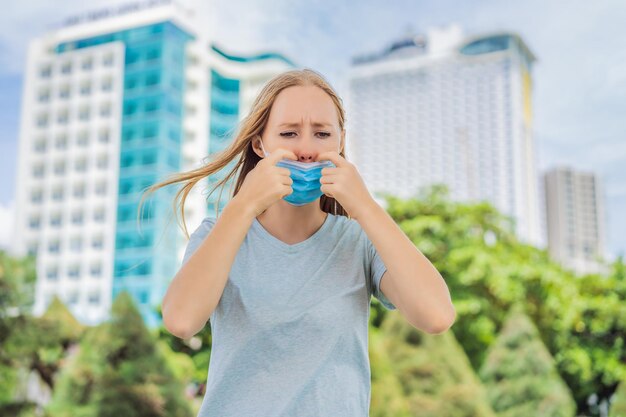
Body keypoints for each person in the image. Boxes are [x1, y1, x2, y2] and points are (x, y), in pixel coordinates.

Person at [145, 68, 455, 416]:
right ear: (260, 144)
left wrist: (365, 207)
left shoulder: (359, 243)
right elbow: (182, 321)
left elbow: (437, 315)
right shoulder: (219, 236)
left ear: (340, 143)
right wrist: (245, 205)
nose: (306, 150)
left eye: (322, 134)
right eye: (289, 133)